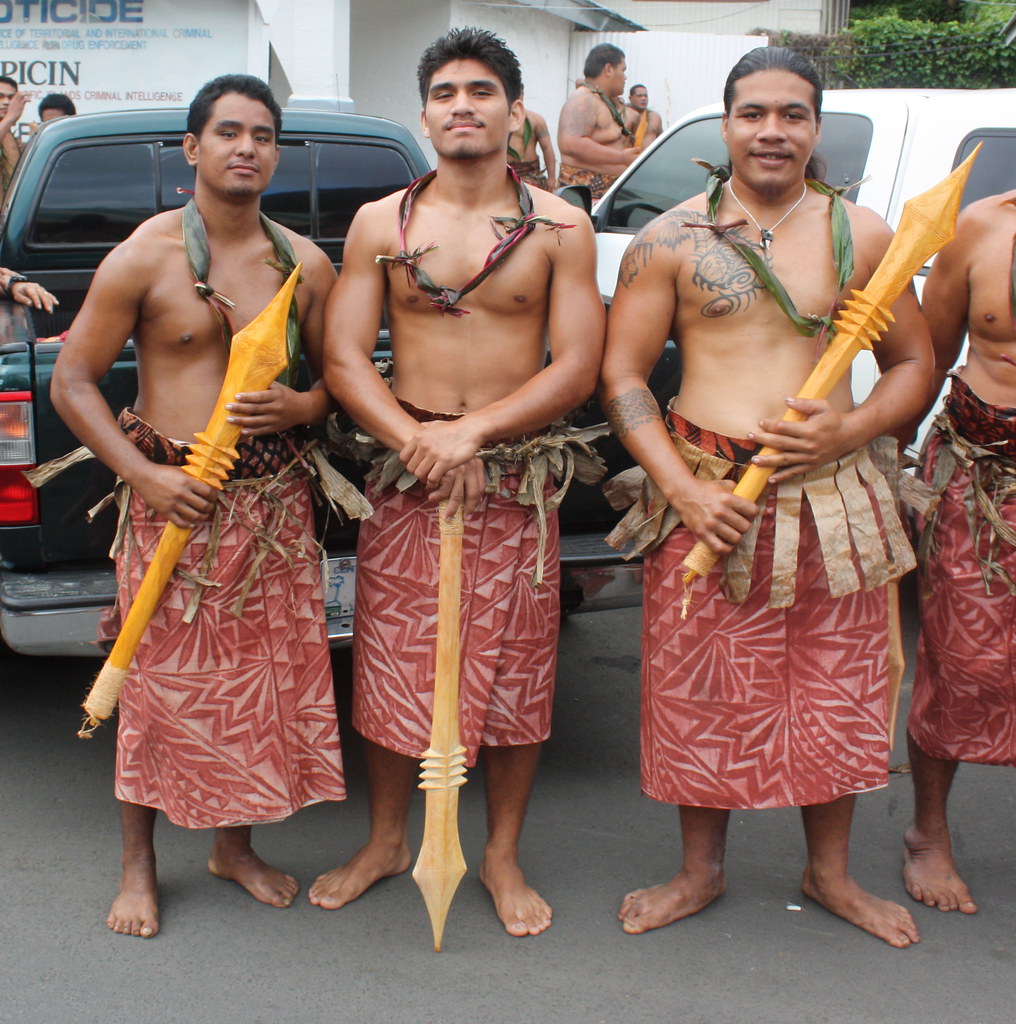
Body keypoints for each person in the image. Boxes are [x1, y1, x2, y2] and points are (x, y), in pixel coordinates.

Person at [599, 46, 933, 948]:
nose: (773, 131)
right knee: (697, 690)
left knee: (834, 690)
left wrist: (849, 430)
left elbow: (913, 366)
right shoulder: (670, 239)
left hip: (833, 500)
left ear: (816, 127)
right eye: (754, 113)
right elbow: (624, 377)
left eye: (793, 114)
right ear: (727, 123)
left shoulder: (861, 235)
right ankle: (698, 872)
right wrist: (679, 487)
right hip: (706, 497)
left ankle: (829, 874)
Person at [314, 26, 604, 937]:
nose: (463, 106)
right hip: (410, 472)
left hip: (517, 476)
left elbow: (578, 366)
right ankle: (387, 838)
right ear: (427, 112)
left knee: (520, 665)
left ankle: (501, 853)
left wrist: (474, 431)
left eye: (482, 91)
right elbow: (344, 355)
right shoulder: (381, 224)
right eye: (445, 93)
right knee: (394, 660)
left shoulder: (560, 224)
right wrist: (418, 438)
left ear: (516, 113)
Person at [50, 74, 345, 939]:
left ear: (276, 153)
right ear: (192, 149)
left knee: (251, 689)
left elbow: (334, 384)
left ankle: (233, 847)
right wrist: (143, 478)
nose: (245, 147)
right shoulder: (145, 255)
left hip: (271, 507)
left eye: (261, 134)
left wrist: (299, 407)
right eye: (227, 132)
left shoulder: (304, 264)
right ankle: (139, 864)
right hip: (169, 500)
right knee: (152, 684)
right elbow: (72, 383)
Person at [902, 189, 1016, 916]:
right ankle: (927, 831)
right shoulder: (983, 226)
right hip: (977, 480)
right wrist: (884, 470)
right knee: (960, 660)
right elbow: (924, 361)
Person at [557, 43, 638, 201]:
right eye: (623, 70)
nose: (625, 77)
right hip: (588, 197)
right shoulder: (584, 98)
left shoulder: (602, 100)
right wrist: (620, 157)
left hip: (606, 195)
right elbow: (570, 142)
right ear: (608, 69)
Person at [508, 98, 555, 190]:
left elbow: (547, 147)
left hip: (532, 175)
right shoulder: (497, 121)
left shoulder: (536, 120)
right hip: (507, 175)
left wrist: (551, 177)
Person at [0, 76, 26, 201]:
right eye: (0, 96)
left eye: (11, 98)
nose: (6, 102)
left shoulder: (9, 133)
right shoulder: (6, 124)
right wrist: (10, 118)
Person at [625, 84, 662, 150]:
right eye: (639, 96)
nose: (643, 98)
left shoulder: (653, 117)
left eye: (645, 96)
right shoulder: (623, 115)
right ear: (630, 98)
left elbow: (662, 140)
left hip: (647, 157)